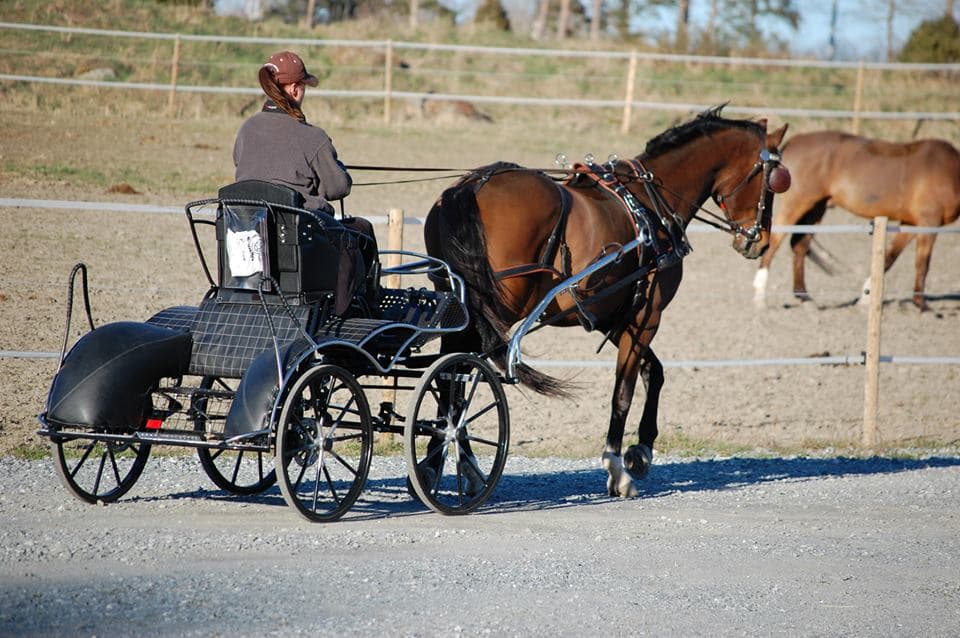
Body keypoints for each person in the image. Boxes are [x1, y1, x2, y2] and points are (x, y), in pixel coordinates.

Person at [233, 50, 379, 310]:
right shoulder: (313, 137)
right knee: (362, 230)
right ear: (295, 89)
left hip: (249, 230)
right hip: (301, 236)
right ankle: (353, 309)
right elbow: (338, 187)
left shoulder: (247, 129)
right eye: (303, 86)